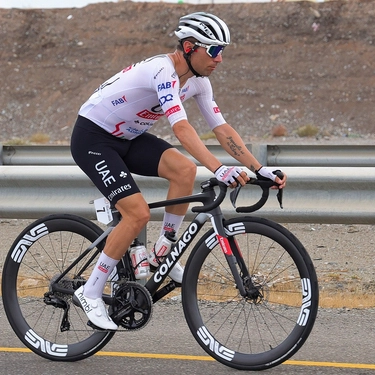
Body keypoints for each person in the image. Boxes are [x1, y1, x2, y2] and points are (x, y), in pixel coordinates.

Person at [70, 11, 287, 331]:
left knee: (185, 171)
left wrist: (258, 168)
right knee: (137, 214)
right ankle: (90, 291)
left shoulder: (199, 83)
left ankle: (162, 255)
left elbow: (221, 128)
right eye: (214, 50)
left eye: (222, 50)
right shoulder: (162, 71)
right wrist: (219, 168)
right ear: (189, 47)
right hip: (93, 138)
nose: (220, 59)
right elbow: (183, 129)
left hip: (128, 138)